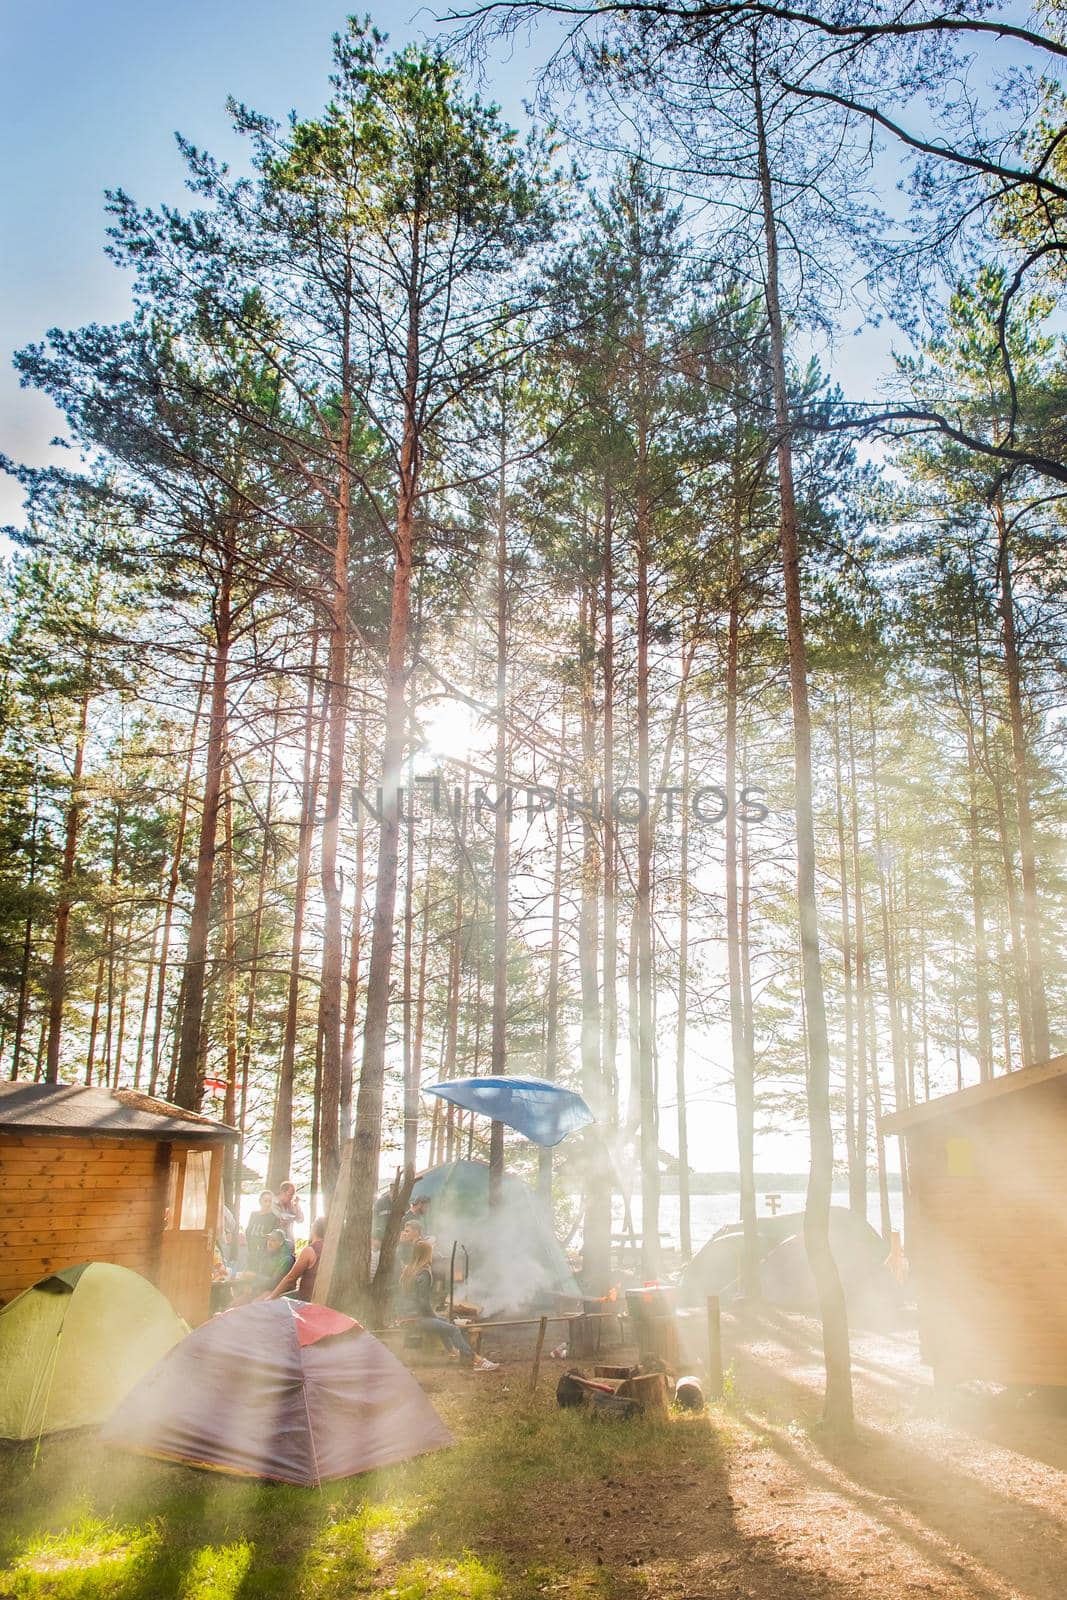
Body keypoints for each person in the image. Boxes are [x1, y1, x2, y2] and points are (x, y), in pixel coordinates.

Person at [398, 1241, 497, 1370]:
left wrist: (433, 1315)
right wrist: (432, 1315)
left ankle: (454, 1353)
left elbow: (409, 1299)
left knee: (445, 1321)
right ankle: (479, 1361)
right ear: (426, 1254)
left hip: (405, 1317)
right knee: (453, 1329)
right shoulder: (424, 1273)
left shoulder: (408, 1271)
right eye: (431, 1252)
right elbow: (423, 1301)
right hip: (416, 1319)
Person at [268, 1216, 327, 1302]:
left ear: (314, 1230)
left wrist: (271, 1297)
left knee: (275, 1301)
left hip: (306, 1301)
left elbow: (291, 1278)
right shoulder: (330, 1249)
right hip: (321, 1297)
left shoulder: (310, 1250)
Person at [245, 1191, 279, 1274]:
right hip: (252, 1251)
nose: (267, 1204)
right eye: (265, 1201)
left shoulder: (273, 1217)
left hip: (263, 1253)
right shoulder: (254, 1214)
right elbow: (248, 1231)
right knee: (248, 1274)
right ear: (260, 1201)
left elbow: (273, 1236)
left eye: (270, 1201)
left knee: (258, 1276)